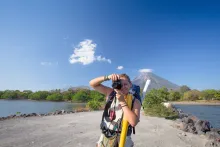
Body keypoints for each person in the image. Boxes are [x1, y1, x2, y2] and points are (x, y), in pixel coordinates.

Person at [89, 73, 142, 147]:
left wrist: (122, 102)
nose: (123, 87)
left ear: (130, 84)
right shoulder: (110, 93)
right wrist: (108, 77)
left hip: (124, 137)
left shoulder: (135, 101)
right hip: (107, 134)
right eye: (120, 84)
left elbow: (133, 122)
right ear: (115, 85)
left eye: (125, 84)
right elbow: (92, 84)